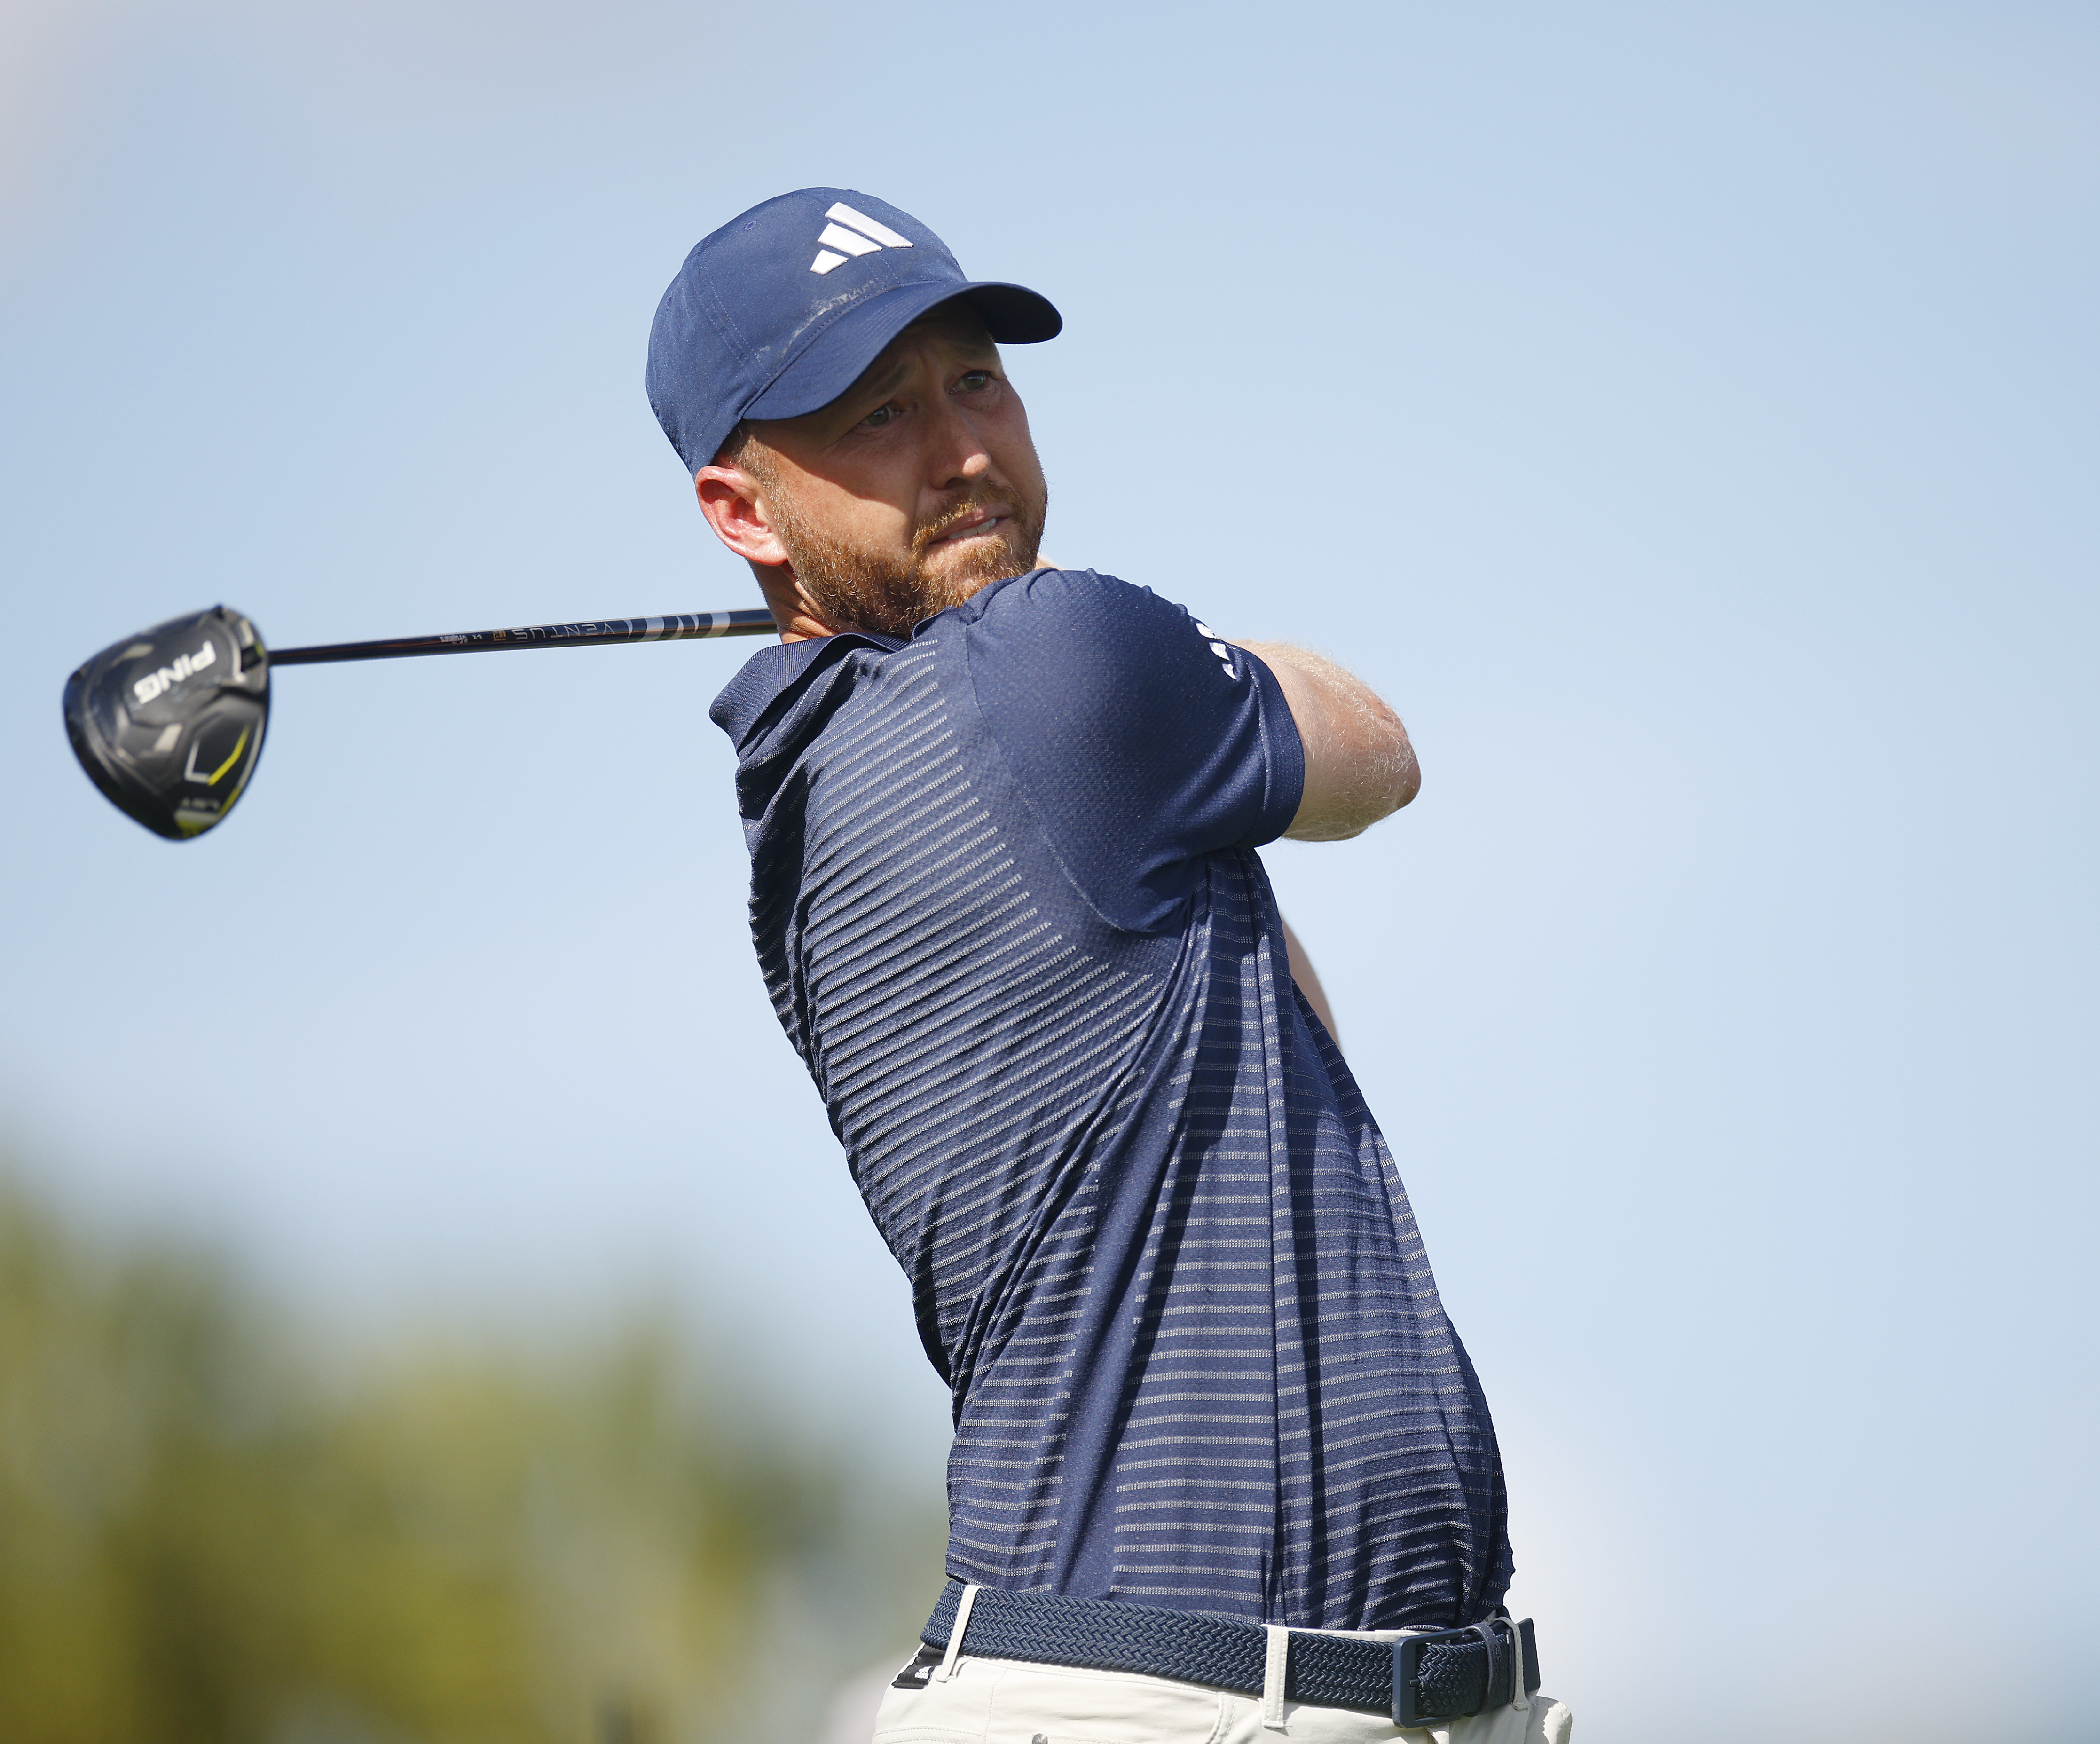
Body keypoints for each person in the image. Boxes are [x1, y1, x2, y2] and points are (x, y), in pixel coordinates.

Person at [647, 189, 1569, 1744]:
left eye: (974, 383)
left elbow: (1263, 1019)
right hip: (1168, 1704)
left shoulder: (815, 798)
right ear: (742, 513)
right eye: (877, 414)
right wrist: (1152, 650)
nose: (963, 453)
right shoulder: (1061, 663)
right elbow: (1375, 751)